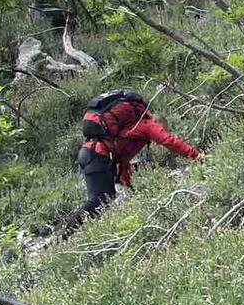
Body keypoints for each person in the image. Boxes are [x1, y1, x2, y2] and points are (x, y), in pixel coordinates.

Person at [59, 91, 200, 237]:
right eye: (163, 129)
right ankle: (67, 234)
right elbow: (169, 141)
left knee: (105, 198)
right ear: (158, 123)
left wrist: (127, 185)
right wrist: (197, 156)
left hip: (90, 153)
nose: (161, 132)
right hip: (97, 155)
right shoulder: (148, 125)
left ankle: (72, 232)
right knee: (99, 200)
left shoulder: (131, 130)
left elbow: (123, 160)